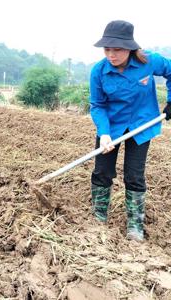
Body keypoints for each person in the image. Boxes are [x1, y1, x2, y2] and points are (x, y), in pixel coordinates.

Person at [90, 20, 171, 241]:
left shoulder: (149, 61)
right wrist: (104, 133)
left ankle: (135, 225)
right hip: (111, 127)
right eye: (107, 49)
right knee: (102, 172)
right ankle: (98, 217)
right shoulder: (99, 71)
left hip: (141, 125)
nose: (111, 55)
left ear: (130, 48)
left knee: (134, 175)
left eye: (117, 49)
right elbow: (97, 105)